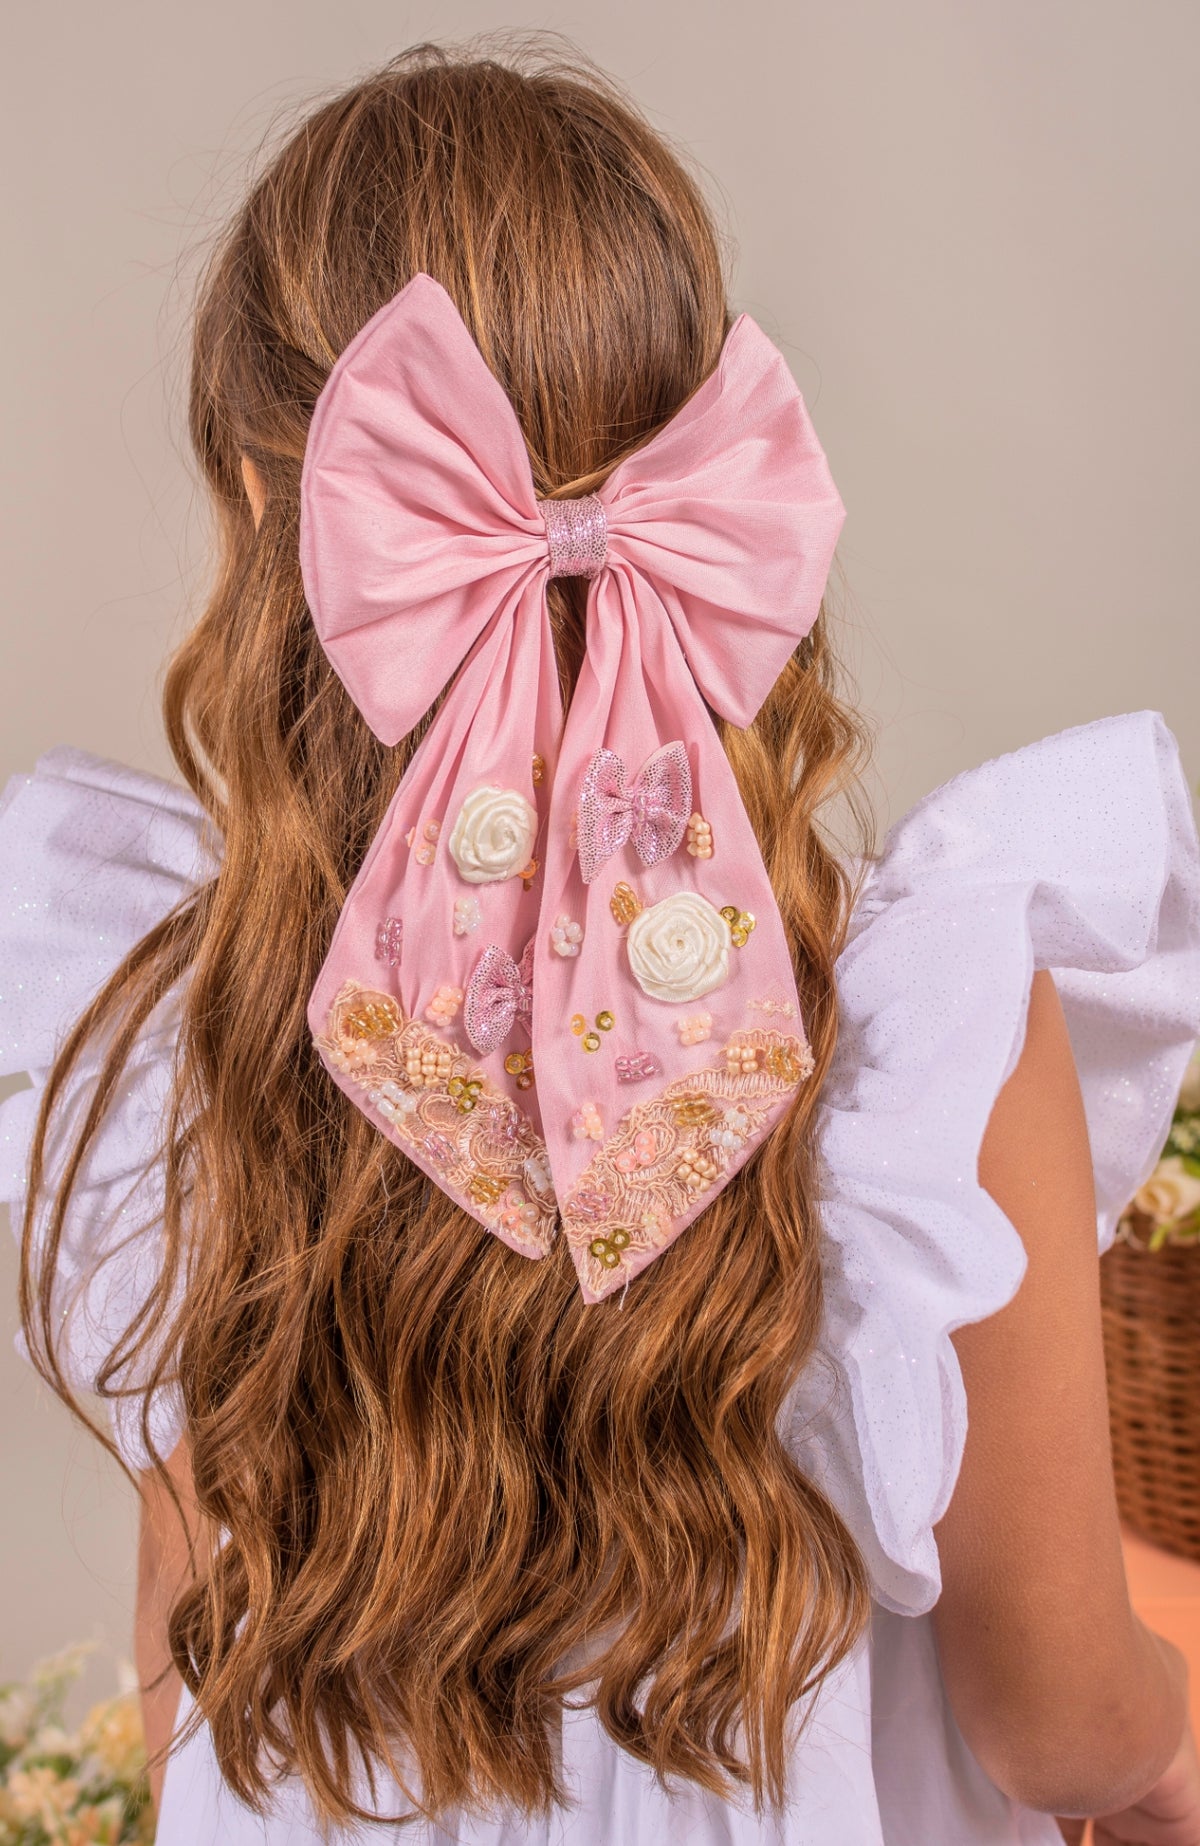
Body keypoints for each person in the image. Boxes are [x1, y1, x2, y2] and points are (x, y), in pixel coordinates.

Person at [4, 42, 1200, 1846]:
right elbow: (1062, 1728)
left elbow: (191, 1679)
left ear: (266, 513)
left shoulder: (183, 1035)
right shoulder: (928, 1043)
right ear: (720, 488)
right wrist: (1162, 1732)